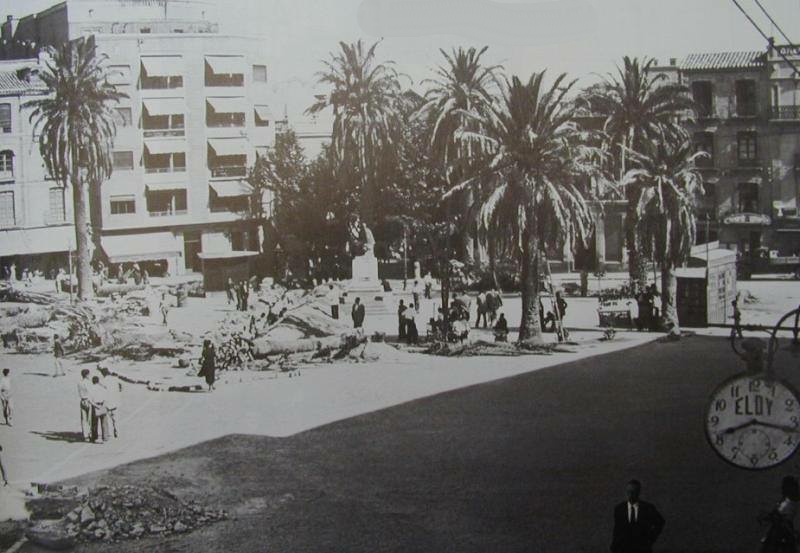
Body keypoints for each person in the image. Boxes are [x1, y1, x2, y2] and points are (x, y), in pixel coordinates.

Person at [611, 479, 665, 553]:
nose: (630, 494)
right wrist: (614, 547)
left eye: (633, 492)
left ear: (638, 492)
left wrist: (651, 539)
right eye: (628, 492)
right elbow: (617, 529)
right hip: (623, 549)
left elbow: (660, 522)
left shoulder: (648, 508)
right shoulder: (619, 509)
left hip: (642, 548)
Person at [760, 475, 800, 553]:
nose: (782, 488)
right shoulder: (785, 501)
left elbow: (780, 515)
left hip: (783, 530)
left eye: (784, 486)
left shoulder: (790, 502)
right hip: (781, 529)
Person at [88, 375, 108, 443]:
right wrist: (103, 405)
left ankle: (94, 437)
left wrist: (96, 406)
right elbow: (105, 398)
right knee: (104, 422)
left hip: (95, 406)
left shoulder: (91, 389)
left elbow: (90, 400)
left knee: (94, 423)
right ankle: (105, 436)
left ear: (92, 381)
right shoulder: (102, 388)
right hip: (102, 405)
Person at [77, 369, 92, 441]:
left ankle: (85, 434)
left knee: (83, 418)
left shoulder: (80, 382)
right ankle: (90, 433)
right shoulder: (89, 383)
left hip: (82, 400)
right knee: (89, 418)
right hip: (88, 400)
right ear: (87, 375)